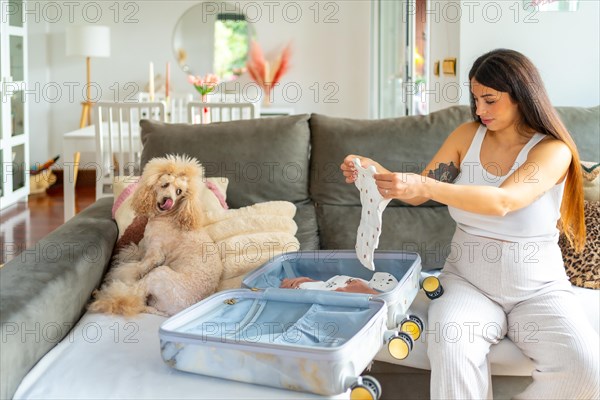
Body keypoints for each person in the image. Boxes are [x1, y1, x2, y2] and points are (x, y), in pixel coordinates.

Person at [340, 49, 599, 399]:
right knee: (452, 347)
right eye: (476, 99)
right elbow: (419, 192)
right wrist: (374, 171)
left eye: (490, 100)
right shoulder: (467, 137)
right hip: (468, 283)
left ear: (523, 95)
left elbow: (504, 201)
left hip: (539, 289)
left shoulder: (552, 151)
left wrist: (426, 185)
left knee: (585, 369)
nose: (479, 110)